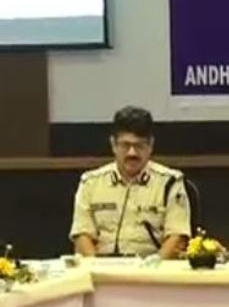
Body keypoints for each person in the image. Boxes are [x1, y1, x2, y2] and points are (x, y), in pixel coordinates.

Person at [69, 106, 191, 258]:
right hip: (101, 267)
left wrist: (153, 267)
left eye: (139, 146)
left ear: (151, 145)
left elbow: (177, 237)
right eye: (125, 145)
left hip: (152, 266)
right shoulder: (90, 183)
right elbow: (82, 235)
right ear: (113, 144)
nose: (132, 153)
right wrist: (96, 267)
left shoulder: (170, 182)